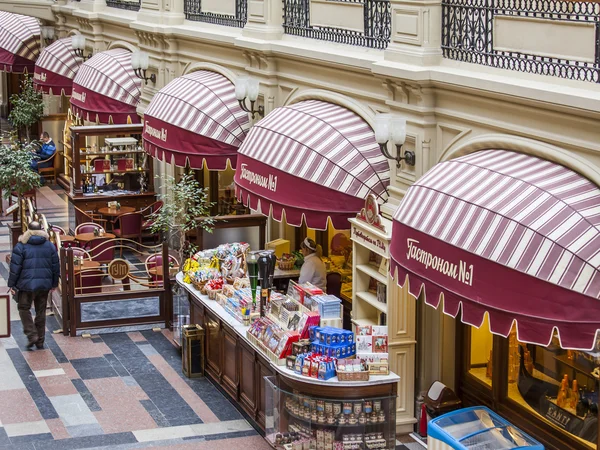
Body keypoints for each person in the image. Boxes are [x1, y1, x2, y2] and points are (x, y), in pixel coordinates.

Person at [8, 221, 60, 349]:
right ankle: (40, 340)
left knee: (23, 308)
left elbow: (15, 268)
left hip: (26, 286)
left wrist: (12, 285)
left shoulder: (21, 246)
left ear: (28, 231)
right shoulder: (49, 246)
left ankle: (32, 335)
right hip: (44, 285)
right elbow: (55, 267)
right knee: (41, 311)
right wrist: (54, 283)